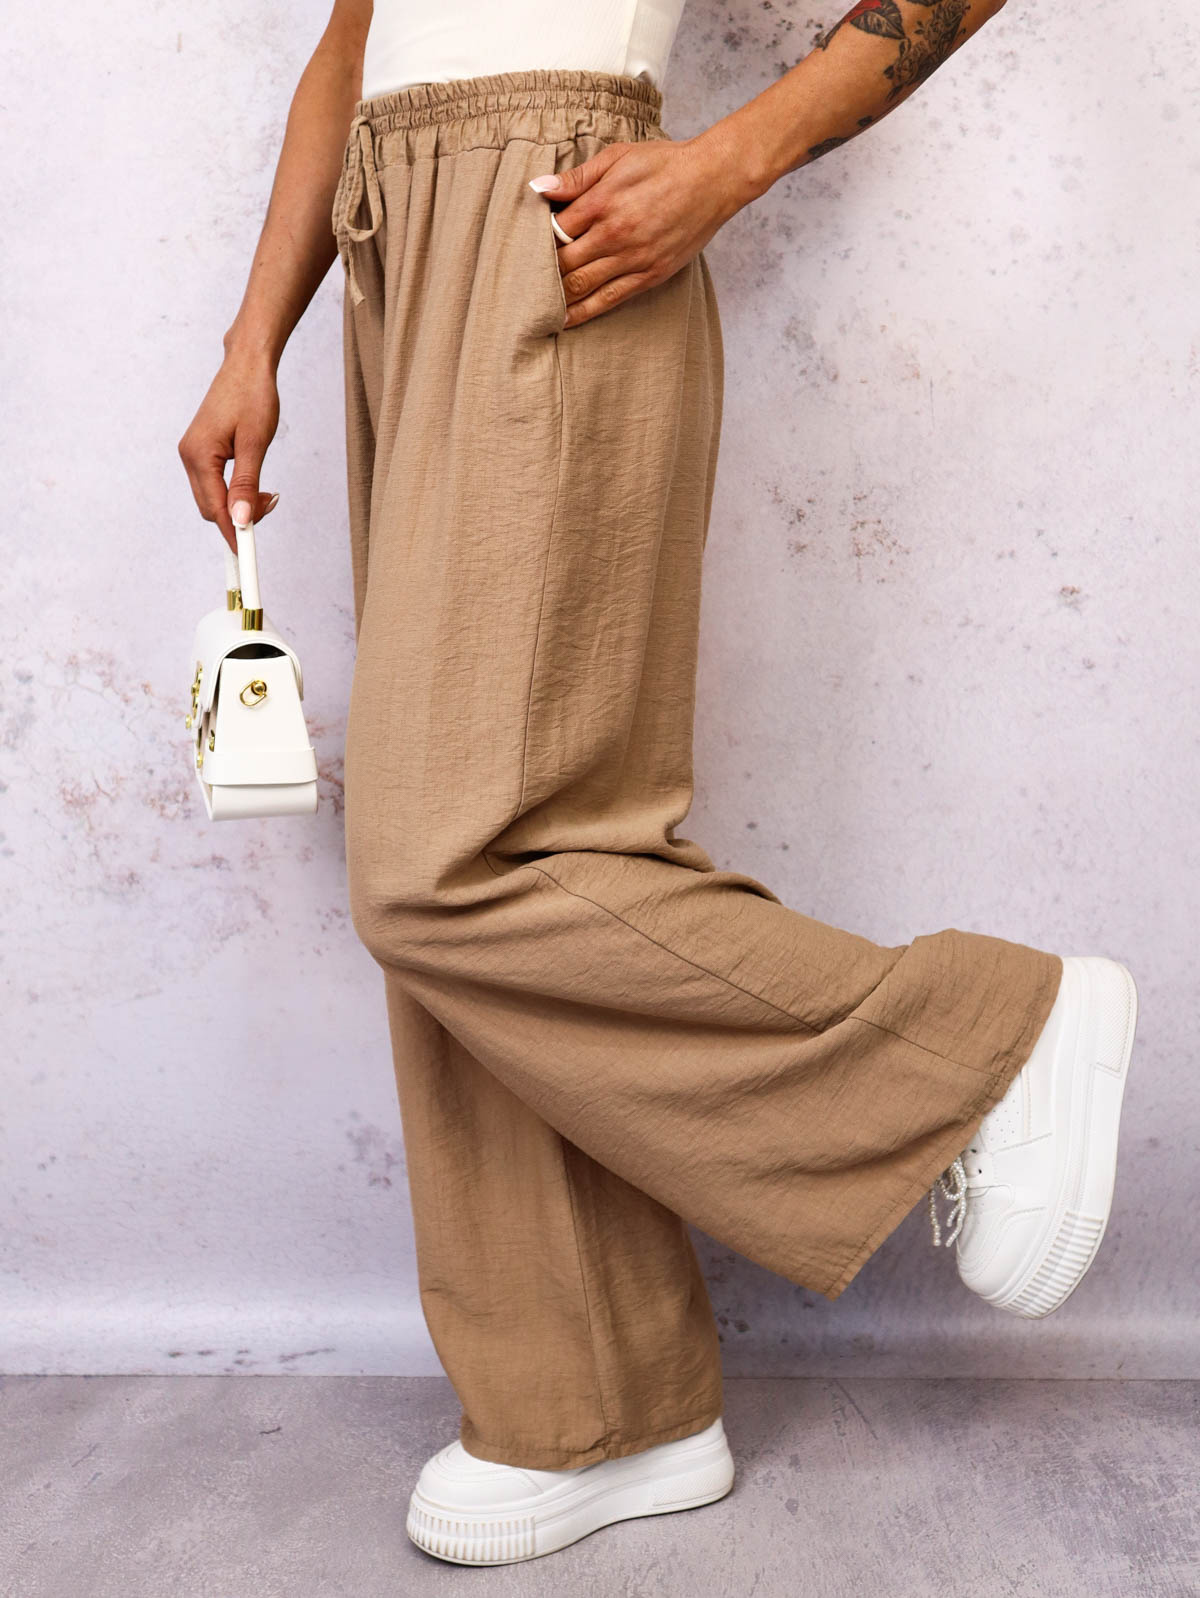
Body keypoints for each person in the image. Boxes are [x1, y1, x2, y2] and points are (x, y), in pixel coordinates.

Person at [178, 0, 1140, 1568]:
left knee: (443, 861)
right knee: (518, 845)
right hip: (397, 248)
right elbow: (354, 41)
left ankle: (982, 1043)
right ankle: (600, 1405)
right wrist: (250, 341)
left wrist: (726, 164)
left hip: (552, 221)